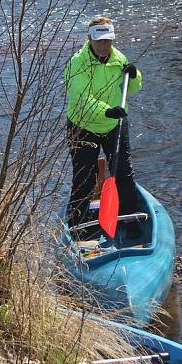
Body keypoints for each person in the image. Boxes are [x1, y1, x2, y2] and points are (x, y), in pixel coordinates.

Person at [64, 16, 142, 238]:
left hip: (113, 124)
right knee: (84, 177)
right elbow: (81, 99)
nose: (103, 45)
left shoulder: (119, 59)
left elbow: (132, 88)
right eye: (99, 41)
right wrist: (106, 110)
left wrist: (135, 76)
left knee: (123, 174)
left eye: (107, 41)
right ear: (89, 39)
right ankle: (79, 227)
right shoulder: (76, 64)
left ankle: (130, 221)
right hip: (82, 125)